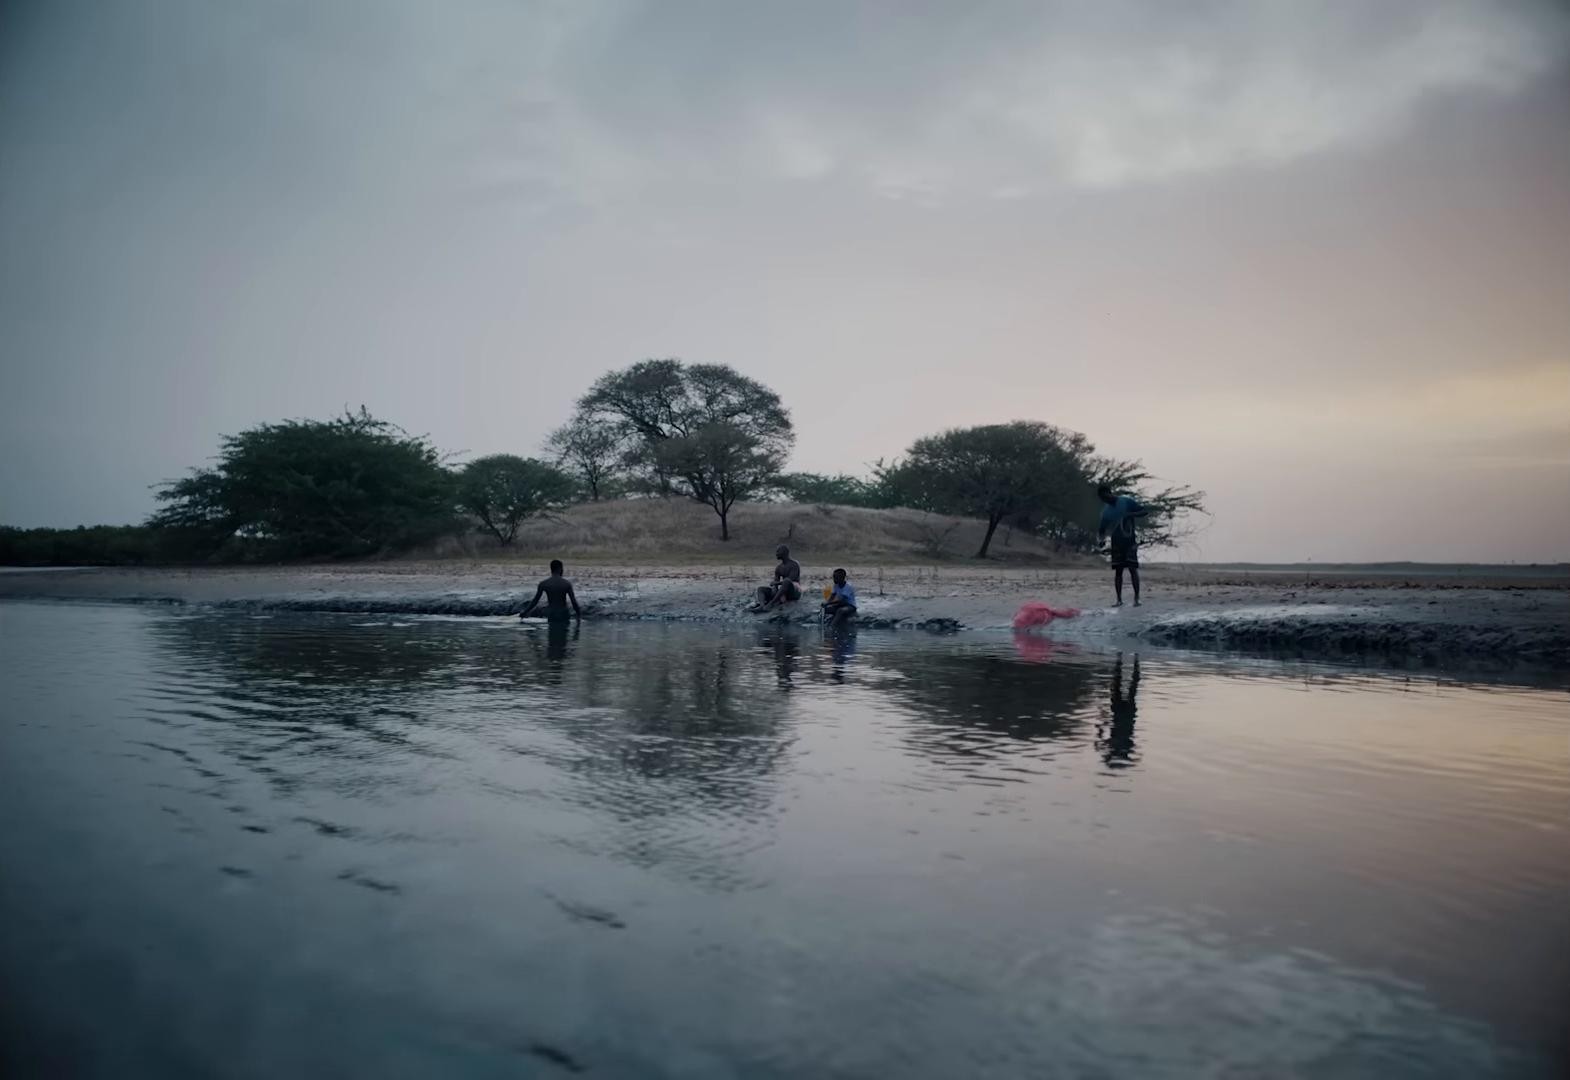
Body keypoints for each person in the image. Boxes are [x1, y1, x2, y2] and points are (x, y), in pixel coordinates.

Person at [1096, 484, 1149, 607]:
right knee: (1118, 571)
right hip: (1116, 543)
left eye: (1105, 497)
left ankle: (1137, 598)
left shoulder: (1126, 501)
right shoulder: (1106, 512)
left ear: (1110, 492)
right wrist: (1101, 540)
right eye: (1102, 499)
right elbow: (1101, 530)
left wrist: (1131, 515)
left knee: (1132, 569)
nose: (1105, 500)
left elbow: (1144, 511)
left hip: (1130, 541)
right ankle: (1119, 600)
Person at [754, 545, 801, 609]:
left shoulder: (794, 565)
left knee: (786, 581)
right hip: (784, 589)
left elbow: (790, 580)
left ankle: (771, 604)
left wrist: (776, 583)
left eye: (778, 551)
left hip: (794, 591)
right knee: (761, 589)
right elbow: (775, 584)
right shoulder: (779, 568)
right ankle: (762, 606)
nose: (776, 554)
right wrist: (774, 591)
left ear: (784, 552)